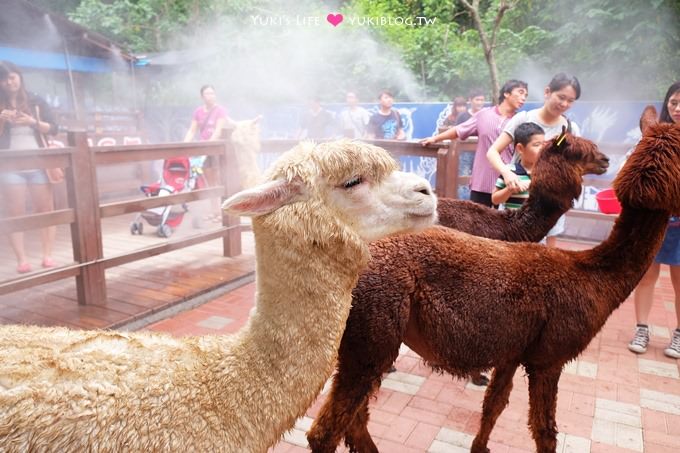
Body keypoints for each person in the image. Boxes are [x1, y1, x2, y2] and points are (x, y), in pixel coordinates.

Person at [487, 73, 582, 246]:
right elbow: (493, 151)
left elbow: (575, 167)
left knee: (546, 254)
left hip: (550, 203)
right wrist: (507, 174)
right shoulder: (524, 118)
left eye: (570, 100)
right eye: (561, 97)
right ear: (547, 92)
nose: (564, 104)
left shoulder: (570, 129)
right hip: (517, 201)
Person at [627, 81, 680, 359]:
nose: (677, 108)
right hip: (655, 220)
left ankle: (679, 335)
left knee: (679, 279)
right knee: (647, 275)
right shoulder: (654, 133)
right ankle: (642, 328)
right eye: (673, 102)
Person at [421, 79, 528, 207]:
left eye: (526, 96)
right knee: (477, 224)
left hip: (509, 184)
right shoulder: (483, 115)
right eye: (520, 93)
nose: (523, 98)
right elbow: (459, 130)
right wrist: (435, 139)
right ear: (506, 93)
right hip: (482, 182)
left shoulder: (521, 121)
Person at [0, 60, 59, 273]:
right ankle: (21, 260)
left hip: (39, 164)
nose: (9, 83)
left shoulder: (36, 101)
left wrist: (33, 122)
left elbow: (53, 128)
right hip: (9, 166)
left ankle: (48, 255)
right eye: (4, 79)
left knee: (45, 210)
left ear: (19, 76)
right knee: (15, 212)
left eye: (12, 77)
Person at [183, 84, 230, 222]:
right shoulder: (198, 112)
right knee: (209, 182)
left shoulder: (220, 110)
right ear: (202, 96)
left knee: (218, 181)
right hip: (204, 150)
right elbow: (192, 130)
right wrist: (183, 145)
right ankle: (215, 212)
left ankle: (222, 213)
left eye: (212, 93)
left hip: (216, 149)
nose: (210, 96)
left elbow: (218, 130)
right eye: (207, 93)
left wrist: (209, 144)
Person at [491, 122, 545, 210]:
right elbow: (495, 199)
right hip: (511, 222)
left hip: (536, 222)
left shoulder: (545, 172)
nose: (542, 149)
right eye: (536, 145)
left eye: (543, 144)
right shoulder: (509, 171)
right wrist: (510, 190)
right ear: (520, 148)